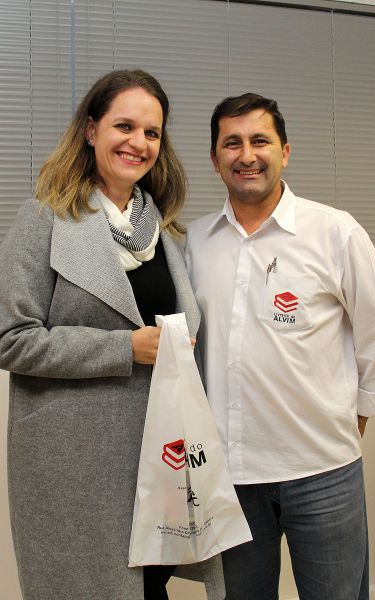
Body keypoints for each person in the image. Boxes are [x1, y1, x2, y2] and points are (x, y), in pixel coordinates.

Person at [0, 69, 224, 600]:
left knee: (150, 586)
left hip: (159, 454)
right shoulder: (44, 219)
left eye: (152, 132)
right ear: (90, 130)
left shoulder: (163, 231)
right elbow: (11, 337)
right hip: (75, 465)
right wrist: (124, 348)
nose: (138, 142)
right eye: (124, 126)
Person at [185, 93, 375, 600]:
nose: (247, 155)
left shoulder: (335, 232)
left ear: (285, 151)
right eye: (232, 143)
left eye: (260, 140)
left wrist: (353, 420)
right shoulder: (195, 241)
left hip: (323, 472)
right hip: (231, 477)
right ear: (215, 159)